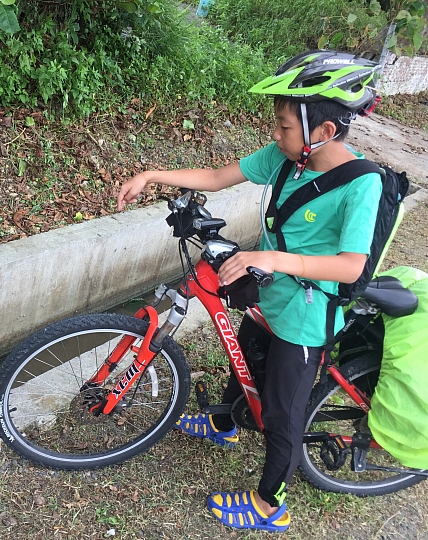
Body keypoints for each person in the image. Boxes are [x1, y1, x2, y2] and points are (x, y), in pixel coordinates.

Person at [116, 50, 383, 533]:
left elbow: (350, 266)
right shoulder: (287, 157)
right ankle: (224, 423)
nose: (274, 135)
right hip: (273, 292)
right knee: (247, 355)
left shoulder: (361, 184)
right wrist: (152, 174)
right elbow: (219, 177)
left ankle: (269, 504)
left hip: (308, 314)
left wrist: (275, 259)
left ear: (322, 132)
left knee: (282, 413)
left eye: (283, 127)